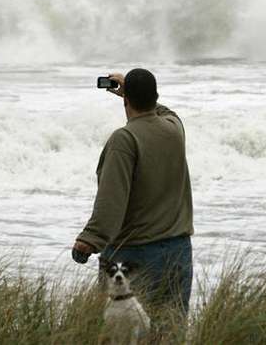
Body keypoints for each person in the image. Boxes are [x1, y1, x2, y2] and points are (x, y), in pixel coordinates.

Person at [71, 68, 194, 314]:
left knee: (123, 334)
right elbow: (167, 112)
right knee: (170, 331)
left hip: (134, 256)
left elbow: (112, 200)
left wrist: (89, 240)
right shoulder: (174, 129)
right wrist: (133, 90)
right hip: (179, 252)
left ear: (126, 100)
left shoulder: (124, 139)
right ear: (155, 96)